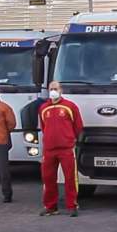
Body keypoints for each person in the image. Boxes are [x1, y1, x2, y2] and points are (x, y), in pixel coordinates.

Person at [38, 81, 84, 217]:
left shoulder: (70, 106)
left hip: (66, 149)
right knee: (48, 178)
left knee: (70, 178)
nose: (53, 91)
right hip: (49, 149)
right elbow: (43, 127)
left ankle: (72, 205)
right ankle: (50, 207)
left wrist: (70, 139)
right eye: (51, 89)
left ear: (61, 90)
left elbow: (78, 125)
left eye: (55, 88)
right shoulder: (43, 108)